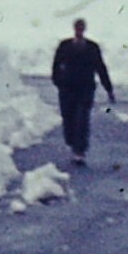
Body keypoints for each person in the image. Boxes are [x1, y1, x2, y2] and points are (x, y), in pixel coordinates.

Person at [50, 17, 114, 164]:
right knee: (68, 118)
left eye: (81, 27)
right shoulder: (64, 46)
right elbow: (56, 65)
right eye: (77, 27)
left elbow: (100, 68)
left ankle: (80, 150)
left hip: (85, 89)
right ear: (74, 29)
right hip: (67, 89)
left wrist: (108, 88)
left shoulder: (92, 47)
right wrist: (58, 81)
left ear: (84, 29)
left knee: (82, 119)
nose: (79, 30)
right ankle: (72, 142)